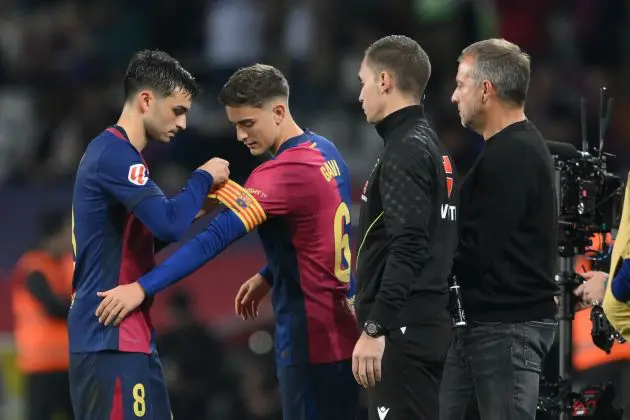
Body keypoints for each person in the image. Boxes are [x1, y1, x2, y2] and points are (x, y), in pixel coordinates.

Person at [93, 63, 360, 420]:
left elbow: (212, 240)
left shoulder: (277, 175)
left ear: (278, 112)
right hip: (345, 330)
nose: (239, 136)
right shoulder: (327, 152)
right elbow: (321, 234)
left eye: (247, 123)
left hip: (309, 341)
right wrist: (271, 272)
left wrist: (141, 287)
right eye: (235, 124)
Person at [68, 50, 230, 419]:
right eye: (178, 110)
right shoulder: (115, 154)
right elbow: (168, 223)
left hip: (129, 337)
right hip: (108, 337)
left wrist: (195, 209)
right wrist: (202, 178)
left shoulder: (120, 155)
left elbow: (141, 238)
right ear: (146, 100)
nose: (184, 124)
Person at [439, 38, 558, 420]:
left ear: (485, 89)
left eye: (460, 84)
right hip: (488, 327)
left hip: (506, 331)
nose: (454, 96)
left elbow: (474, 253)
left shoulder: (513, 154)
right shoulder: (506, 148)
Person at [352, 35, 459, 420]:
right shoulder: (431, 146)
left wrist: (376, 325)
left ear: (384, 81)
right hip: (421, 324)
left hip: (402, 331)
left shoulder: (405, 150)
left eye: (363, 81)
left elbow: (409, 244)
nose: (359, 94)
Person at [12, 211, 74, 420]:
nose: (72, 236)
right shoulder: (32, 266)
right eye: (68, 231)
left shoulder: (67, 263)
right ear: (55, 234)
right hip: (41, 364)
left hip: (70, 361)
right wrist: (85, 307)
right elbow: (54, 308)